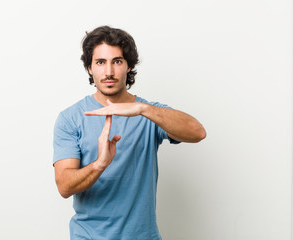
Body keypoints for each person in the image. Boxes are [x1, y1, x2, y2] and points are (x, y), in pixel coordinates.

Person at [53, 25, 206, 240]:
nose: (109, 72)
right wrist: (99, 164)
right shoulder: (71, 118)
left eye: (117, 61)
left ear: (128, 66)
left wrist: (143, 109)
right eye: (100, 62)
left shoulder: (150, 113)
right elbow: (64, 186)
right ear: (89, 68)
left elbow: (197, 132)